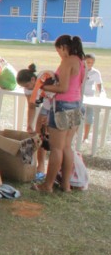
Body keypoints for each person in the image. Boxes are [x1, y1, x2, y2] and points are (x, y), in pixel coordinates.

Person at [34, 35, 85, 193]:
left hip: (62, 106)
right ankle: (65, 185)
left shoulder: (67, 61)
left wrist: (43, 87)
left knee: (56, 148)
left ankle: (47, 185)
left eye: (58, 51)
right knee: (67, 147)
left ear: (63, 47)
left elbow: (63, 88)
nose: (59, 55)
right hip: (76, 105)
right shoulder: (81, 61)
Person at [16, 65, 51, 180]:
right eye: (23, 87)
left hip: (53, 107)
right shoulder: (28, 89)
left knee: (47, 138)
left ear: (33, 79)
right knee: (40, 136)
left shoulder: (45, 82)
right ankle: (40, 166)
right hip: (45, 108)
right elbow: (31, 107)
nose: (26, 88)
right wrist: (29, 124)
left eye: (27, 85)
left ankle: (47, 168)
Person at [82, 53, 103, 142]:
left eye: (91, 62)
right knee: (79, 116)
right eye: (87, 62)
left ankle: (85, 137)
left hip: (90, 98)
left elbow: (99, 85)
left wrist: (101, 94)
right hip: (80, 97)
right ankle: (77, 135)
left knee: (89, 118)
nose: (89, 64)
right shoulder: (80, 71)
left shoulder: (96, 73)